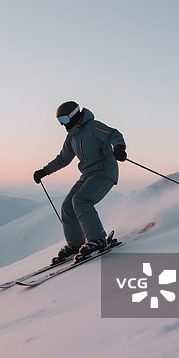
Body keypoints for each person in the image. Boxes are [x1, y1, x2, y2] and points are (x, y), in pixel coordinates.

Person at [33, 101, 127, 262]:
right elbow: (63, 158)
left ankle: (97, 239)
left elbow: (113, 134)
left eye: (63, 120)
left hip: (104, 173)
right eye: (59, 121)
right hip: (88, 175)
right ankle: (76, 243)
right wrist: (45, 171)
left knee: (81, 200)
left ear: (73, 116)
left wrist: (119, 147)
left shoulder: (93, 127)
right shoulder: (72, 137)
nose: (62, 125)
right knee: (67, 206)